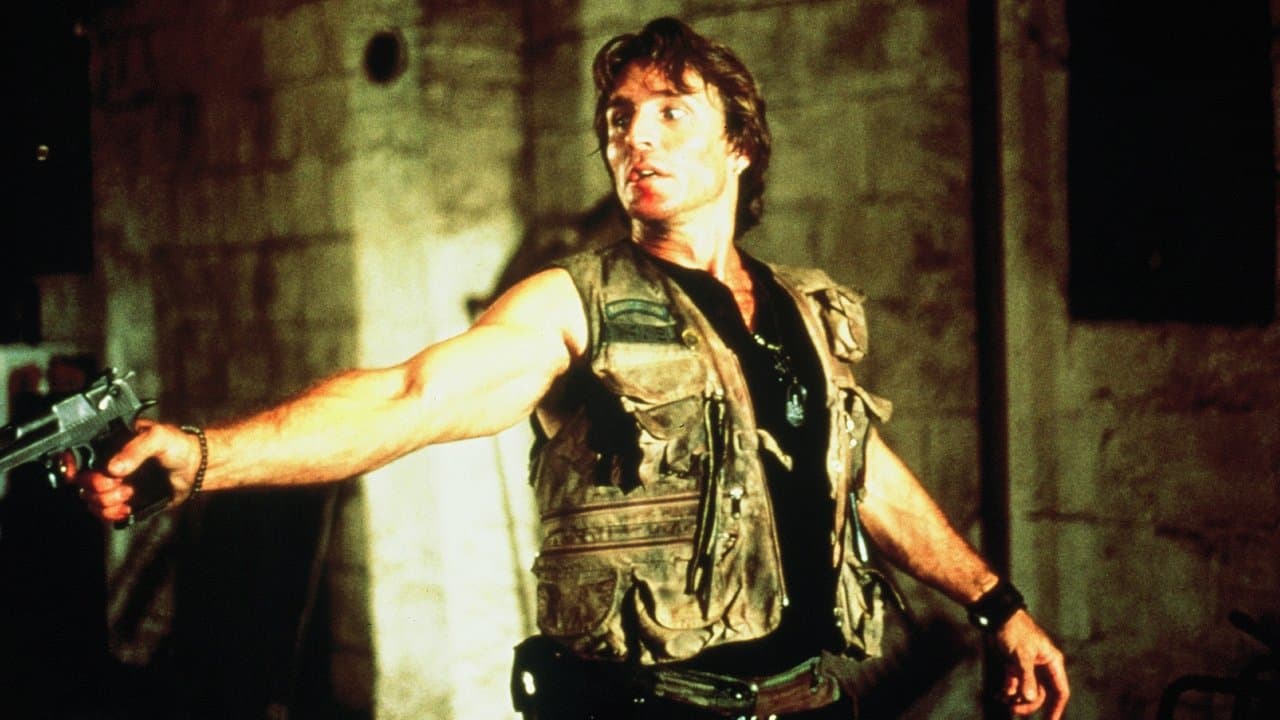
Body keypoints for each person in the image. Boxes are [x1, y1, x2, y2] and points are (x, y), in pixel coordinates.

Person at [75, 17, 1068, 720]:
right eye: (619, 118)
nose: (634, 135)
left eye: (670, 111)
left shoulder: (803, 312)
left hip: (807, 701)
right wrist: (205, 456)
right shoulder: (573, 303)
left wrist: (997, 605)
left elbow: (860, 473)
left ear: (739, 145)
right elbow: (408, 397)